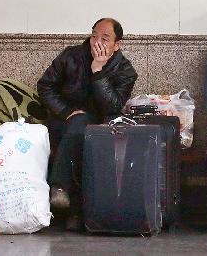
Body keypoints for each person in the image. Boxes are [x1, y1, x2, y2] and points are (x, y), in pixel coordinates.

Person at [37, 18, 137, 231]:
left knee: (87, 134)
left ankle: (63, 190)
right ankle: (74, 210)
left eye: (104, 38)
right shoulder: (71, 56)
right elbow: (45, 86)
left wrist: (98, 71)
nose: (96, 42)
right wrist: (66, 111)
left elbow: (113, 106)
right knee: (78, 127)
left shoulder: (125, 70)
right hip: (64, 119)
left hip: (101, 123)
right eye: (94, 36)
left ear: (117, 44)